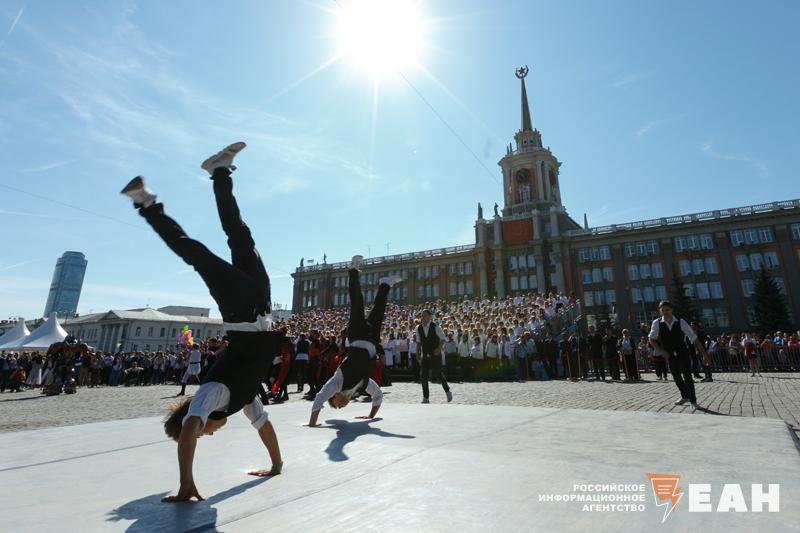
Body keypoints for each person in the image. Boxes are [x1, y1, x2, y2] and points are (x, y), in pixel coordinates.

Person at [121, 142, 285, 502]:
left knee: (197, 253)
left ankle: (146, 204)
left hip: (241, 312)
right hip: (261, 301)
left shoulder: (211, 394)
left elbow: (191, 427)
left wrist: (185, 483)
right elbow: (265, 427)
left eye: (204, 435)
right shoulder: (240, 400)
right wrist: (276, 465)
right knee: (239, 234)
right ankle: (220, 171)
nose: (210, 434)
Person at [306, 256, 399, 426]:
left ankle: (354, 270)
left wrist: (312, 423)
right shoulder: (362, 386)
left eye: (337, 406)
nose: (342, 407)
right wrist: (370, 417)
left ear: (335, 396)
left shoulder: (337, 383)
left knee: (358, 303)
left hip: (356, 336)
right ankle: (385, 284)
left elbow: (319, 398)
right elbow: (378, 395)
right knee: (379, 311)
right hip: (371, 339)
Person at [649, 300, 710, 410]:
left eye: (667, 310)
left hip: (683, 352)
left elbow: (694, 339)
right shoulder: (657, 323)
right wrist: (661, 351)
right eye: (662, 310)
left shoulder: (681, 322)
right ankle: (684, 396)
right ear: (660, 311)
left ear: (671, 310)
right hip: (670, 354)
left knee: (687, 376)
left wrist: (704, 355)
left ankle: (693, 400)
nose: (665, 312)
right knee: (676, 377)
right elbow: (651, 339)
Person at [416, 309, 453, 403]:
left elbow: (443, 339)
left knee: (438, 374)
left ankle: (447, 391)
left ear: (429, 316)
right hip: (425, 356)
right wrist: (417, 354)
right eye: (422, 315)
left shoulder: (435, 326)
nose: (423, 317)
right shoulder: (418, 328)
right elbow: (418, 342)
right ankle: (426, 397)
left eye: (424, 315)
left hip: (435, 355)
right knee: (423, 376)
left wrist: (439, 348)